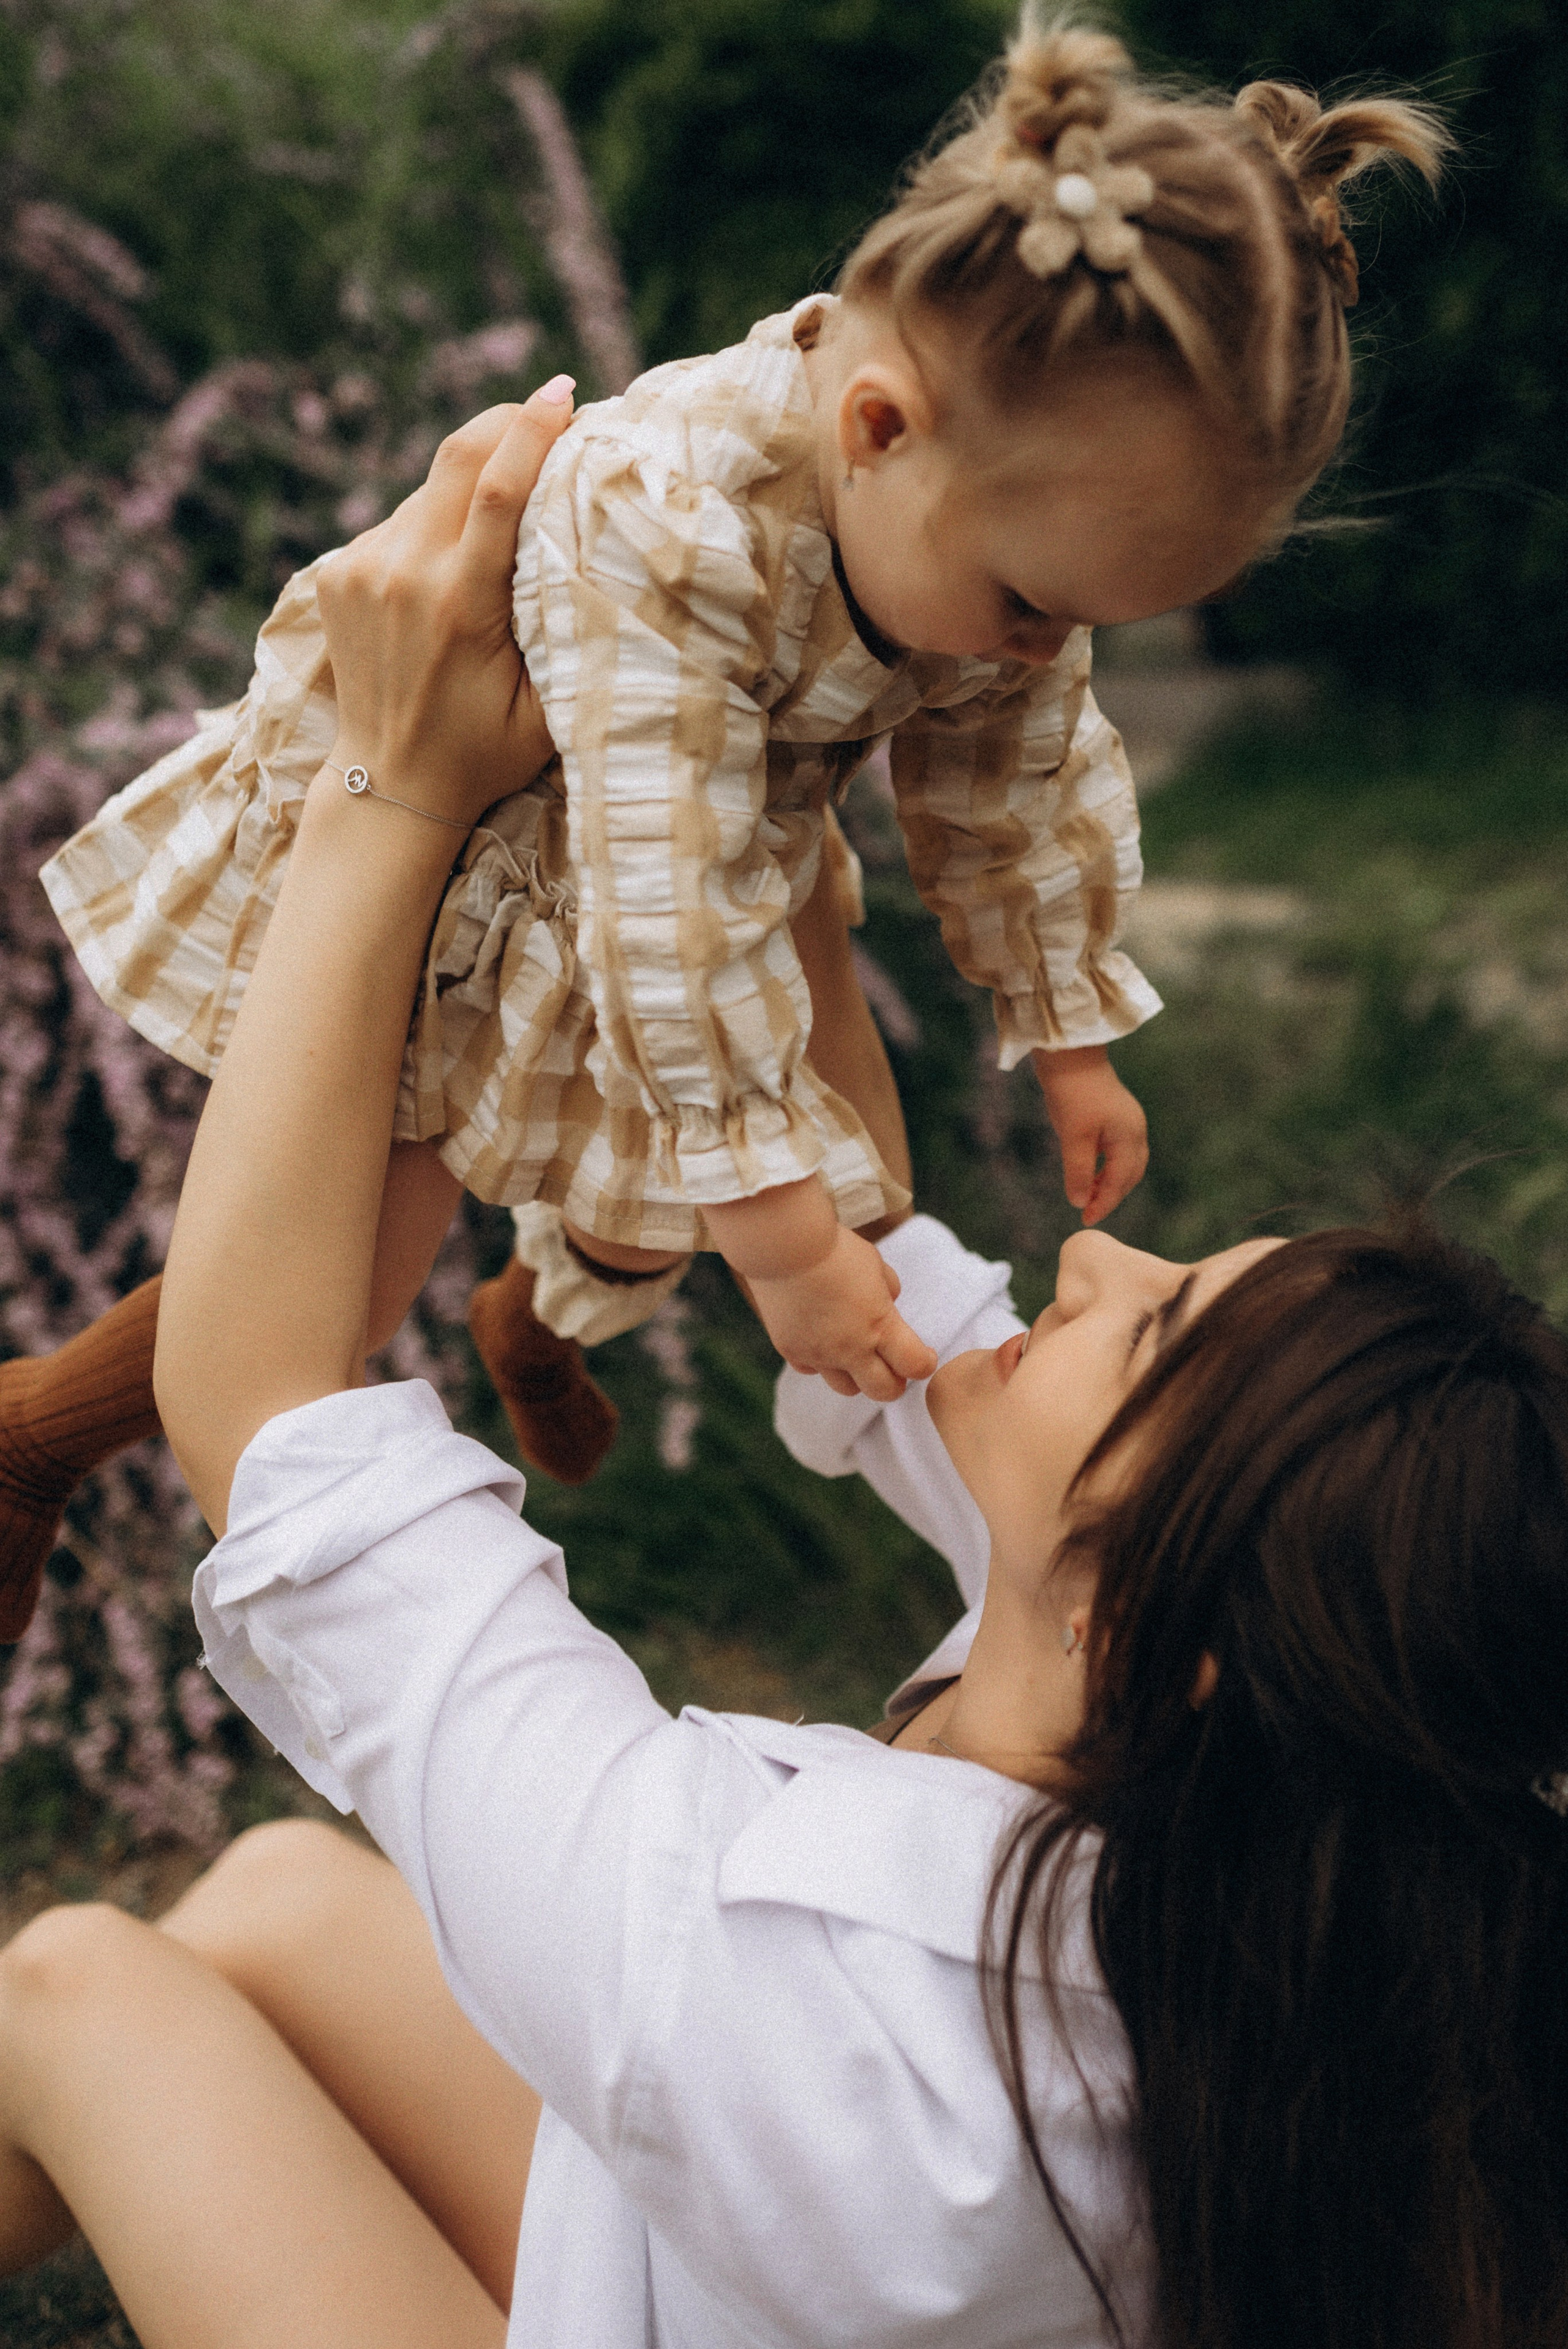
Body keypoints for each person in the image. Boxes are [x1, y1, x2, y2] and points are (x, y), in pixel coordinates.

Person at [2, 379, 1566, 2349]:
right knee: (262, 1907)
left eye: (1157, 1325)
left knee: (74, 1982)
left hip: (701, 2226)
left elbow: (270, 1419)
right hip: (697, 2263)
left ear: (1160, 1625)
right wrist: (770, 800)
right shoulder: (1272, 1852)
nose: (1091, 1253)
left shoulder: (813, 2006)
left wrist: (391, 796)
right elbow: (878, 1253)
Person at [0, 12, 1450, 1623]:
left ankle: (536, 1325)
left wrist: (1066, 1026)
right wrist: (779, 1231)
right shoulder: (666, 511)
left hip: (683, 874)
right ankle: (34, 1432)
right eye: (1033, 602)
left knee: (661, 1202)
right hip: (468, 849)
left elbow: (1016, 776)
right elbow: (667, 889)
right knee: (368, 1255)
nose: (1043, 644)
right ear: (878, 429)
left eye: (1084, 619)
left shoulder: (982, 529)